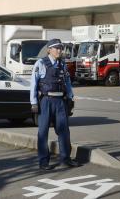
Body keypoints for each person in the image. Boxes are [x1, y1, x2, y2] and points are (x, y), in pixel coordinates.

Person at [30, 38, 80, 171]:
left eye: (60, 48)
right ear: (49, 50)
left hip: (60, 102)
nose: (59, 50)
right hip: (46, 101)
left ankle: (65, 159)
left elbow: (67, 82)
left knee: (64, 131)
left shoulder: (62, 64)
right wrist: (34, 103)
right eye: (56, 48)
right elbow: (34, 84)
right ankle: (43, 161)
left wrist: (70, 97)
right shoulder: (40, 63)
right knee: (43, 132)